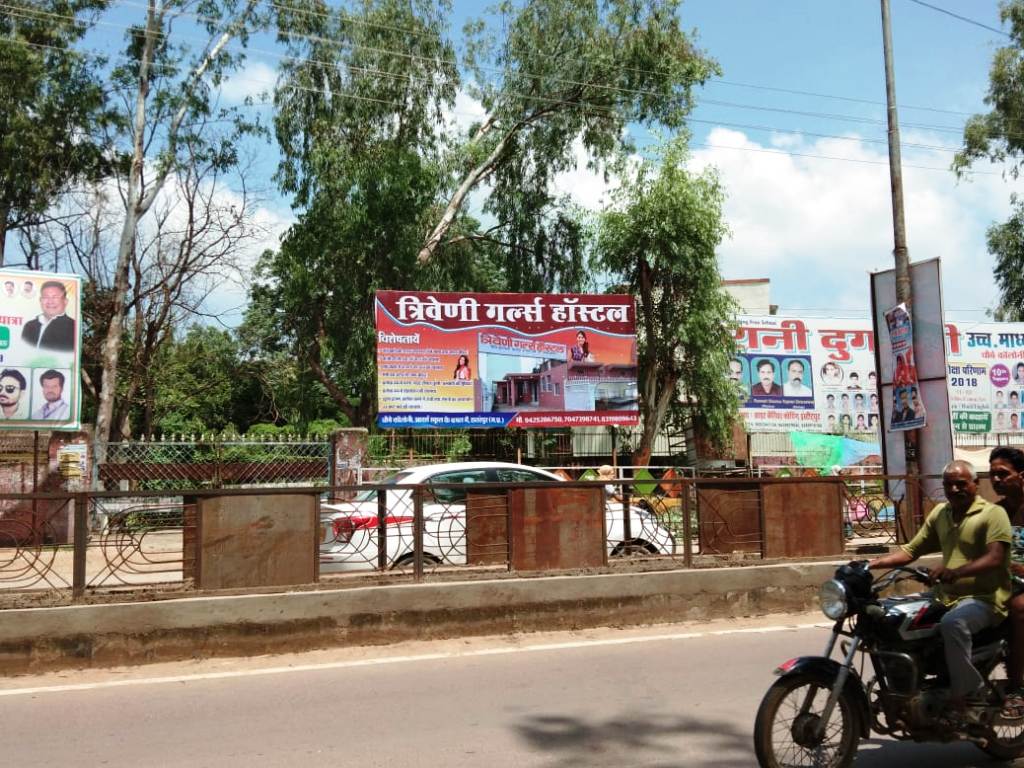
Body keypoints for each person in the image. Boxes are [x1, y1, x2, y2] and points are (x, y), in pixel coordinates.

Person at [868, 460, 1012, 715]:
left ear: (975, 484)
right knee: (889, 618)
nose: (955, 489)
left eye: (961, 483)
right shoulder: (941, 514)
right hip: (944, 597)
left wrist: (955, 572)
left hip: (985, 599)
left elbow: (995, 557)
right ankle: (910, 686)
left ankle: (965, 693)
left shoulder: (992, 514)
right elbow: (911, 550)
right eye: (949, 484)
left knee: (953, 623)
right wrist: (872, 564)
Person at [989, 447, 1024, 717]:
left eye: (1003, 474)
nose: (997, 480)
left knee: (1019, 607)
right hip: (1005, 581)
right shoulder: (996, 512)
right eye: (993, 475)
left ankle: (1017, 687)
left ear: (1021, 475)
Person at [21, 280, 75, 352]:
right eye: (46, 297)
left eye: (55, 297)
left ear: (65, 301)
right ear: (40, 300)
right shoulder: (30, 326)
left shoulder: (72, 326)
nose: (50, 301)